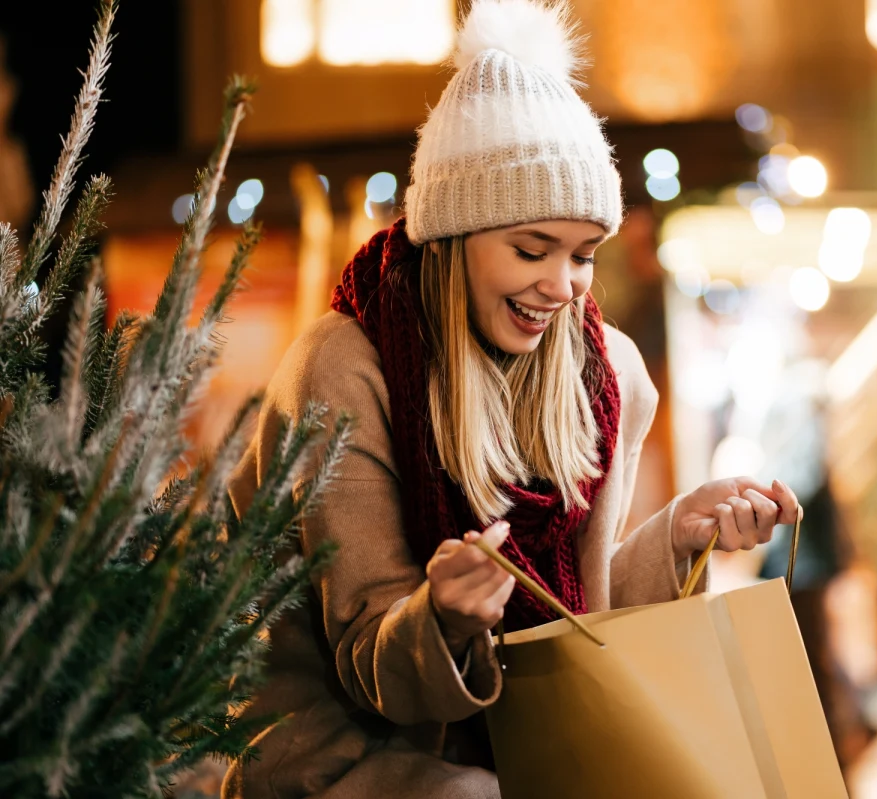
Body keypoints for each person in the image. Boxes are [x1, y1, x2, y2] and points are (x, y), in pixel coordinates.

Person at [221, 2, 800, 797]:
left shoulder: (605, 376)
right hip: (340, 753)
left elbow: (574, 632)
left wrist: (677, 536)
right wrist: (444, 616)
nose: (560, 286)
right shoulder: (341, 369)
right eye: (531, 249)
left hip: (528, 737)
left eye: (584, 255)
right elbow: (368, 662)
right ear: (453, 238)